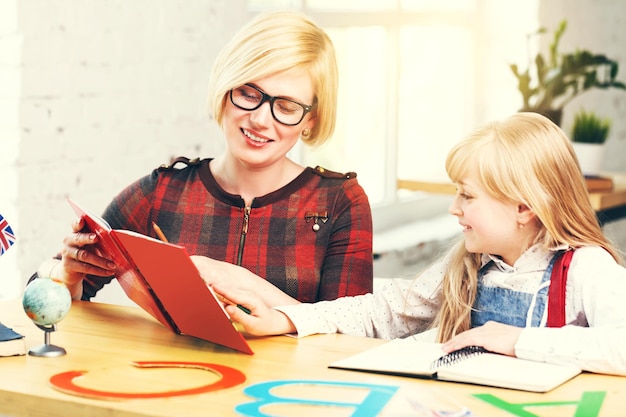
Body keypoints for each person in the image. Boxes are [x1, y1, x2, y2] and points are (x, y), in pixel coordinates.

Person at [208, 112, 626, 375]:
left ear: (523, 207)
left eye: (468, 195)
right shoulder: (468, 263)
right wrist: (286, 319)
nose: (454, 209)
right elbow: (384, 312)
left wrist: (515, 340)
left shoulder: (586, 268)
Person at [33, 11, 373, 303]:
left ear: (311, 119)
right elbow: (40, 290)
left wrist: (247, 289)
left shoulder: (340, 203)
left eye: (286, 107)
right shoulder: (162, 192)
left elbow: (351, 334)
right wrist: (67, 273)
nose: (259, 119)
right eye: (248, 93)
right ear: (225, 90)